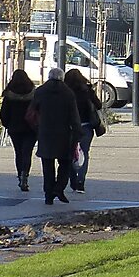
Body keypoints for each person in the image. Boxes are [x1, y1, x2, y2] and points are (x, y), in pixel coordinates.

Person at [30, 68, 82, 205]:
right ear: (62, 78)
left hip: (45, 133)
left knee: (47, 166)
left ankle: (48, 195)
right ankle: (59, 188)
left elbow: (32, 111)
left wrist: (37, 128)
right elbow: (74, 115)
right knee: (65, 164)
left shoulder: (40, 91)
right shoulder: (68, 93)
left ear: (48, 76)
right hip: (64, 134)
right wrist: (77, 132)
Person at [64, 69, 102, 194]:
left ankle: (73, 180)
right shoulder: (86, 90)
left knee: (69, 154)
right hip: (86, 126)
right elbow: (98, 104)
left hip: (68, 127)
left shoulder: (65, 91)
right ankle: (81, 181)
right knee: (84, 153)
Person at [0, 69, 36, 192]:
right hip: (30, 128)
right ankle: (25, 175)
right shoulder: (33, 93)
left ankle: (20, 174)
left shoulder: (9, 95)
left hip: (15, 128)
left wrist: (7, 124)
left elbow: (3, 113)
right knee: (27, 153)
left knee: (18, 153)